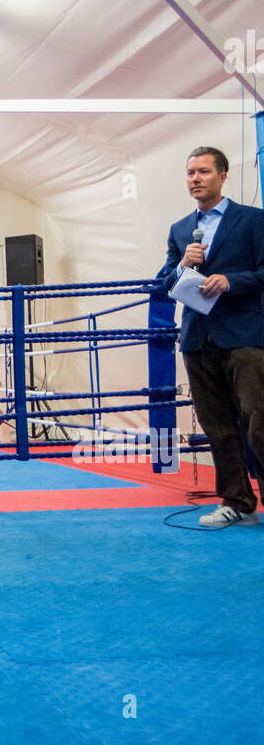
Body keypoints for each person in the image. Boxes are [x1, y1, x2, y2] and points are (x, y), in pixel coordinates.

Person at [156, 146, 264, 527]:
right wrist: (183, 264)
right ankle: (238, 502)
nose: (195, 179)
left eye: (203, 171)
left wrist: (231, 281)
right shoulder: (181, 230)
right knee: (217, 425)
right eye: (190, 173)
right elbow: (166, 284)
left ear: (222, 176)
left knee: (259, 421)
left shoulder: (253, 221)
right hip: (199, 339)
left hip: (246, 338)